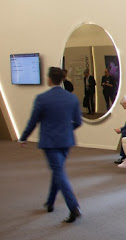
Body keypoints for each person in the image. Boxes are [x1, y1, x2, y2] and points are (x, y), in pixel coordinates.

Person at [18, 67, 83, 223]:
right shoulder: (72, 98)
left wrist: (23, 137)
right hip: (66, 141)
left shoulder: (42, 98)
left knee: (59, 172)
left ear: (49, 79)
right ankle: (50, 202)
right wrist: (67, 130)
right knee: (57, 170)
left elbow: (33, 121)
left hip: (50, 142)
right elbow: (78, 122)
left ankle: (73, 206)